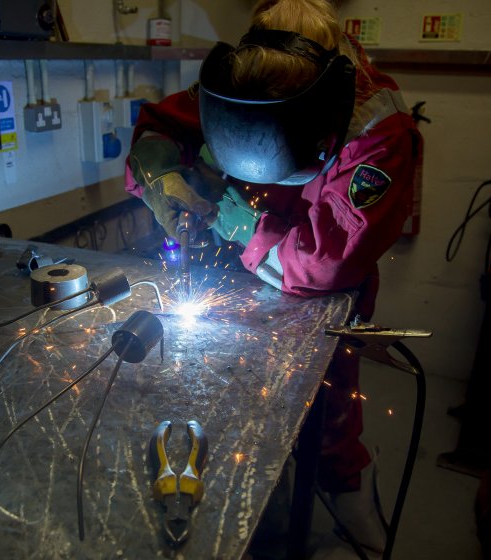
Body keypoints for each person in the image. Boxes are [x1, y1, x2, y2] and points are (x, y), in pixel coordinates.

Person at [124, 0, 422, 555]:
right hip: (237, 279)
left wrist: (241, 226)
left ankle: (354, 502)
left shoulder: (380, 134)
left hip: (319, 299)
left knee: (326, 414)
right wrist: (161, 173)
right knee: (232, 408)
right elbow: (161, 125)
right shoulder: (247, 80)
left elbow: (325, 262)